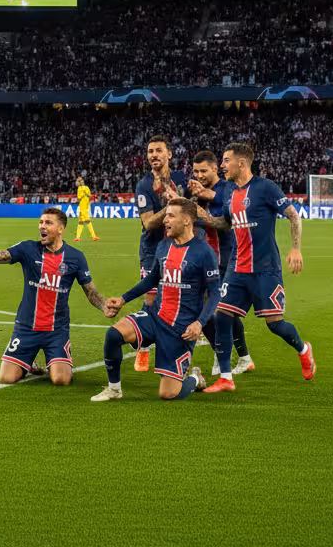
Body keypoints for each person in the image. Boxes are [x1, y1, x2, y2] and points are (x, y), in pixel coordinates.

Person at [196, 142, 315, 391]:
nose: (222, 165)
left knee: (275, 323)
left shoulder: (265, 187)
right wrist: (201, 215)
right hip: (237, 269)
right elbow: (224, 223)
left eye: (226, 160)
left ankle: (303, 349)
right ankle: (226, 378)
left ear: (241, 162)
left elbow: (293, 215)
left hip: (265, 268)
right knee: (222, 316)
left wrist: (295, 248)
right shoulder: (231, 194)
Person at [91, 199, 220, 401]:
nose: (165, 220)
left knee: (168, 394)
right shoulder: (163, 245)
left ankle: (195, 378)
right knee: (114, 334)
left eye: (171, 215)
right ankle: (114, 389)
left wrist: (199, 323)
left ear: (187, 220)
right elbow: (152, 278)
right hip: (155, 317)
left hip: (181, 328)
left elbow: (215, 293)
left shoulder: (204, 252)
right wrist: (123, 299)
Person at [0, 208, 107, 386]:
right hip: (27, 328)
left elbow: (91, 291)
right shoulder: (27, 248)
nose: (42, 226)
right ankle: (28, 362)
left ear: (61, 228)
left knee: (61, 380)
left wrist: (104, 306)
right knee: (6, 378)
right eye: (41, 222)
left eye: (48, 223)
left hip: (56, 331)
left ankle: (53, 360)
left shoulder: (75, 257)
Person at [187, 149, 254, 376]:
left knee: (223, 311)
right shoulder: (196, 191)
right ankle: (241, 357)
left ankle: (227, 356)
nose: (200, 175)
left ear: (215, 168)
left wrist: (203, 199)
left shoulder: (227, 188)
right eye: (196, 171)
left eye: (204, 170)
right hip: (204, 260)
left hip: (226, 259)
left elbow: (227, 220)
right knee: (209, 311)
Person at [132, 135, 187, 372]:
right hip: (153, 251)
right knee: (151, 299)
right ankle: (142, 348)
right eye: (150, 151)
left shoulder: (181, 179)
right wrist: (171, 206)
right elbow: (148, 223)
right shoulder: (144, 185)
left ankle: (179, 344)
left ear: (169, 154)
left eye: (158, 151)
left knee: (183, 297)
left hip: (180, 249)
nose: (153, 155)